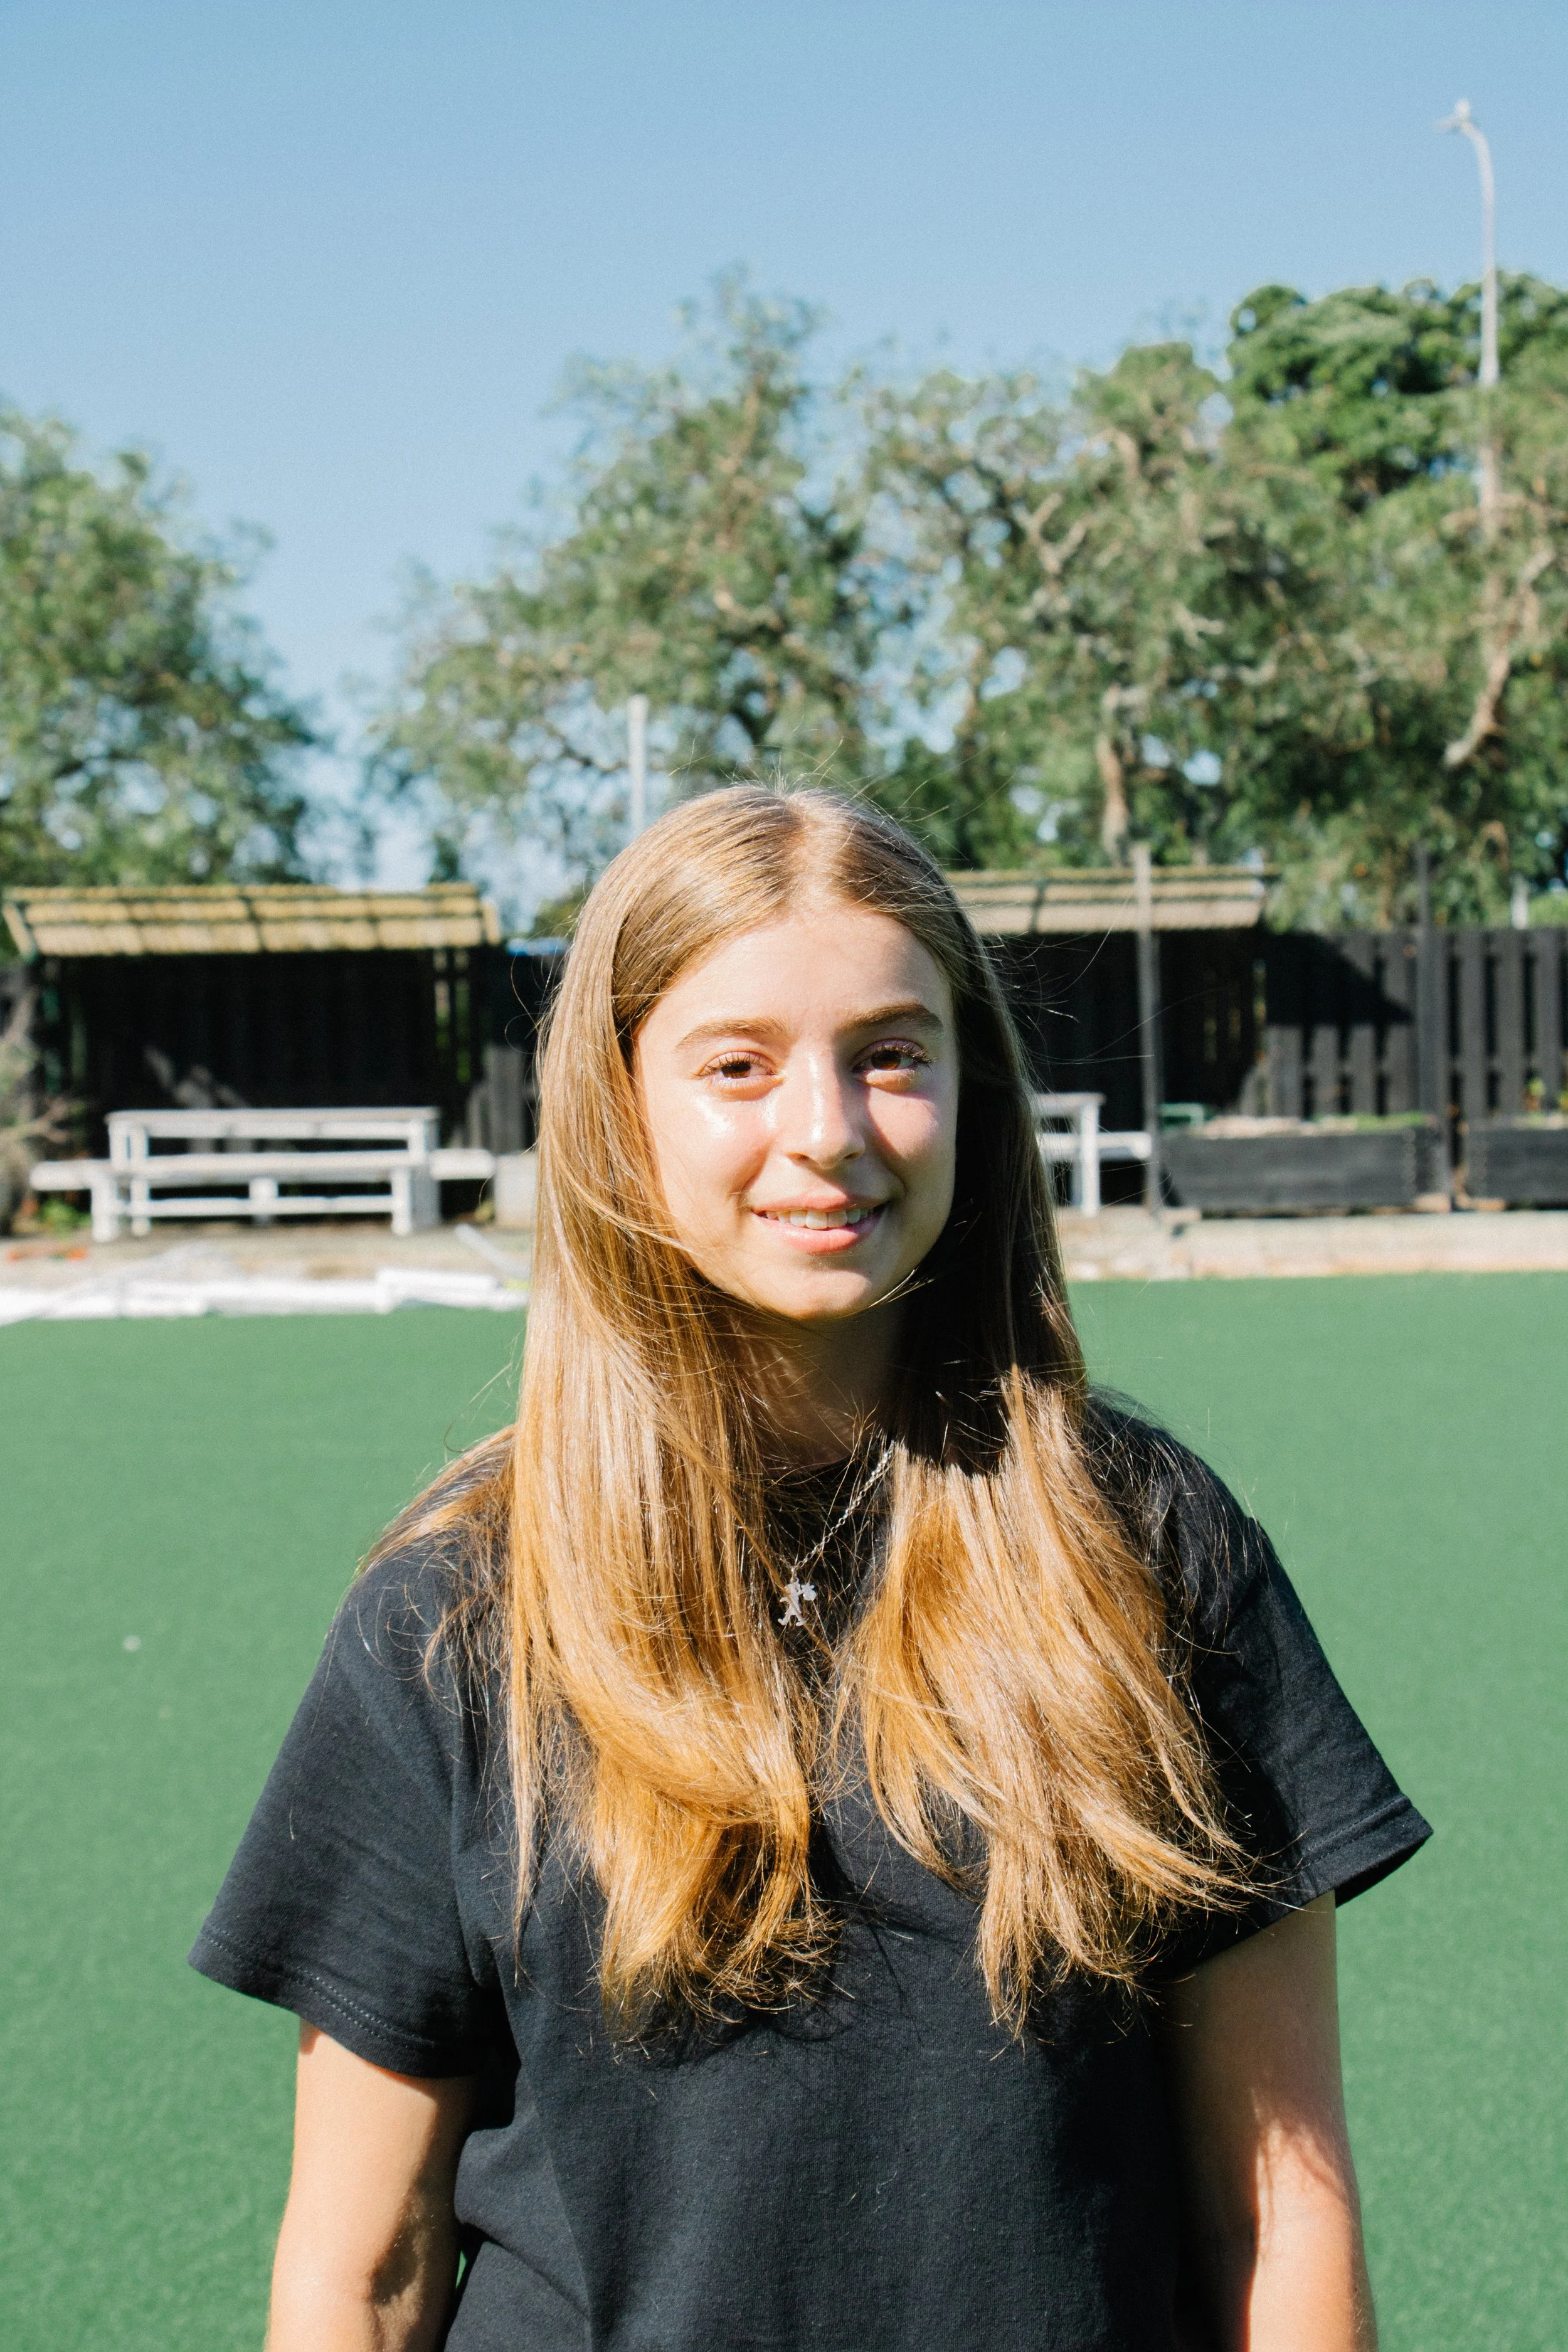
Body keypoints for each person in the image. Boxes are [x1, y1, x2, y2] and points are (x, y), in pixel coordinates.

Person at [192, 787, 1429, 2352]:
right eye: (736, 1067)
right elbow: (361, 2268)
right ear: (618, 1110)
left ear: (972, 1085)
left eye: (891, 1053)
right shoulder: (454, 1622)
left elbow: (1276, 2205)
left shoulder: (1151, 1551)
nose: (827, 1130)